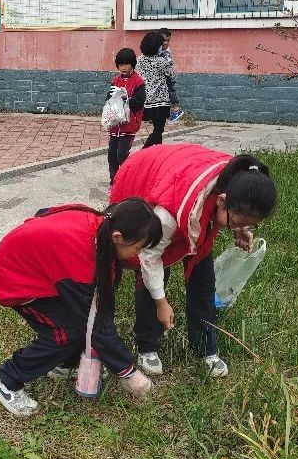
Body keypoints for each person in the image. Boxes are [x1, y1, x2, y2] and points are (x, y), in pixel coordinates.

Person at [0, 198, 163, 416]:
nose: (138, 254)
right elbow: (94, 321)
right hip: (14, 280)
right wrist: (127, 371)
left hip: (45, 275)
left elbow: (44, 211)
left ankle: (64, 364)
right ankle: (5, 378)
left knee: (77, 325)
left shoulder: (101, 229)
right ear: (118, 237)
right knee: (64, 334)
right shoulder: (80, 256)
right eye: (138, 248)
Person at [110, 144, 276, 378]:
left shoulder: (240, 181)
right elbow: (149, 257)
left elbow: (235, 213)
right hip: (150, 177)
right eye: (238, 222)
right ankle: (147, 345)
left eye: (249, 223)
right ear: (221, 201)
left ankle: (205, 347)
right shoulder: (167, 216)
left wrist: (239, 229)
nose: (241, 227)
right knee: (153, 273)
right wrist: (162, 302)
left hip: (189, 190)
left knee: (204, 281)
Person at [106, 48, 146, 185]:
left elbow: (138, 104)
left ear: (132, 65)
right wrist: (112, 96)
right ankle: (114, 181)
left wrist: (125, 97)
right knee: (112, 155)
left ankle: (127, 178)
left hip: (129, 126)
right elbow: (108, 99)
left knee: (121, 154)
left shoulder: (139, 82)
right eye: (121, 64)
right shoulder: (115, 80)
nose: (123, 67)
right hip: (114, 124)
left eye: (126, 64)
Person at [137, 31, 175, 148]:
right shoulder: (161, 61)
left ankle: (157, 152)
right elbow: (172, 77)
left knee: (157, 130)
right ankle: (143, 152)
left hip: (145, 100)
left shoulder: (139, 60)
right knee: (159, 129)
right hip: (160, 101)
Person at [157, 28, 184, 123]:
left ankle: (177, 110)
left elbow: (167, 66)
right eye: (163, 40)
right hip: (160, 76)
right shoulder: (157, 48)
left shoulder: (166, 53)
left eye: (168, 41)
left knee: (170, 91)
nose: (166, 43)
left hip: (167, 76)